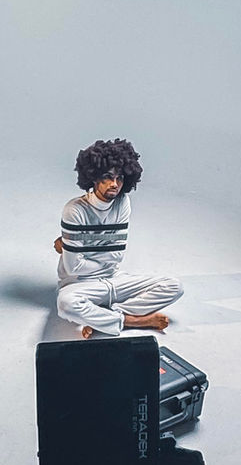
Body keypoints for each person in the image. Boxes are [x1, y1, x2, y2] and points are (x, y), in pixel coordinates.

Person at [54, 138, 183, 340]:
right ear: (93, 177)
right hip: (80, 286)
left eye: (120, 178)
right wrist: (99, 250)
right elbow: (74, 268)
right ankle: (134, 321)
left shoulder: (122, 202)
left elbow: (116, 256)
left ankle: (102, 317)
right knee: (66, 304)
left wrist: (77, 247)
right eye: (107, 177)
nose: (115, 184)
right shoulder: (74, 210)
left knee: (174, 286)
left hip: (114, 278)